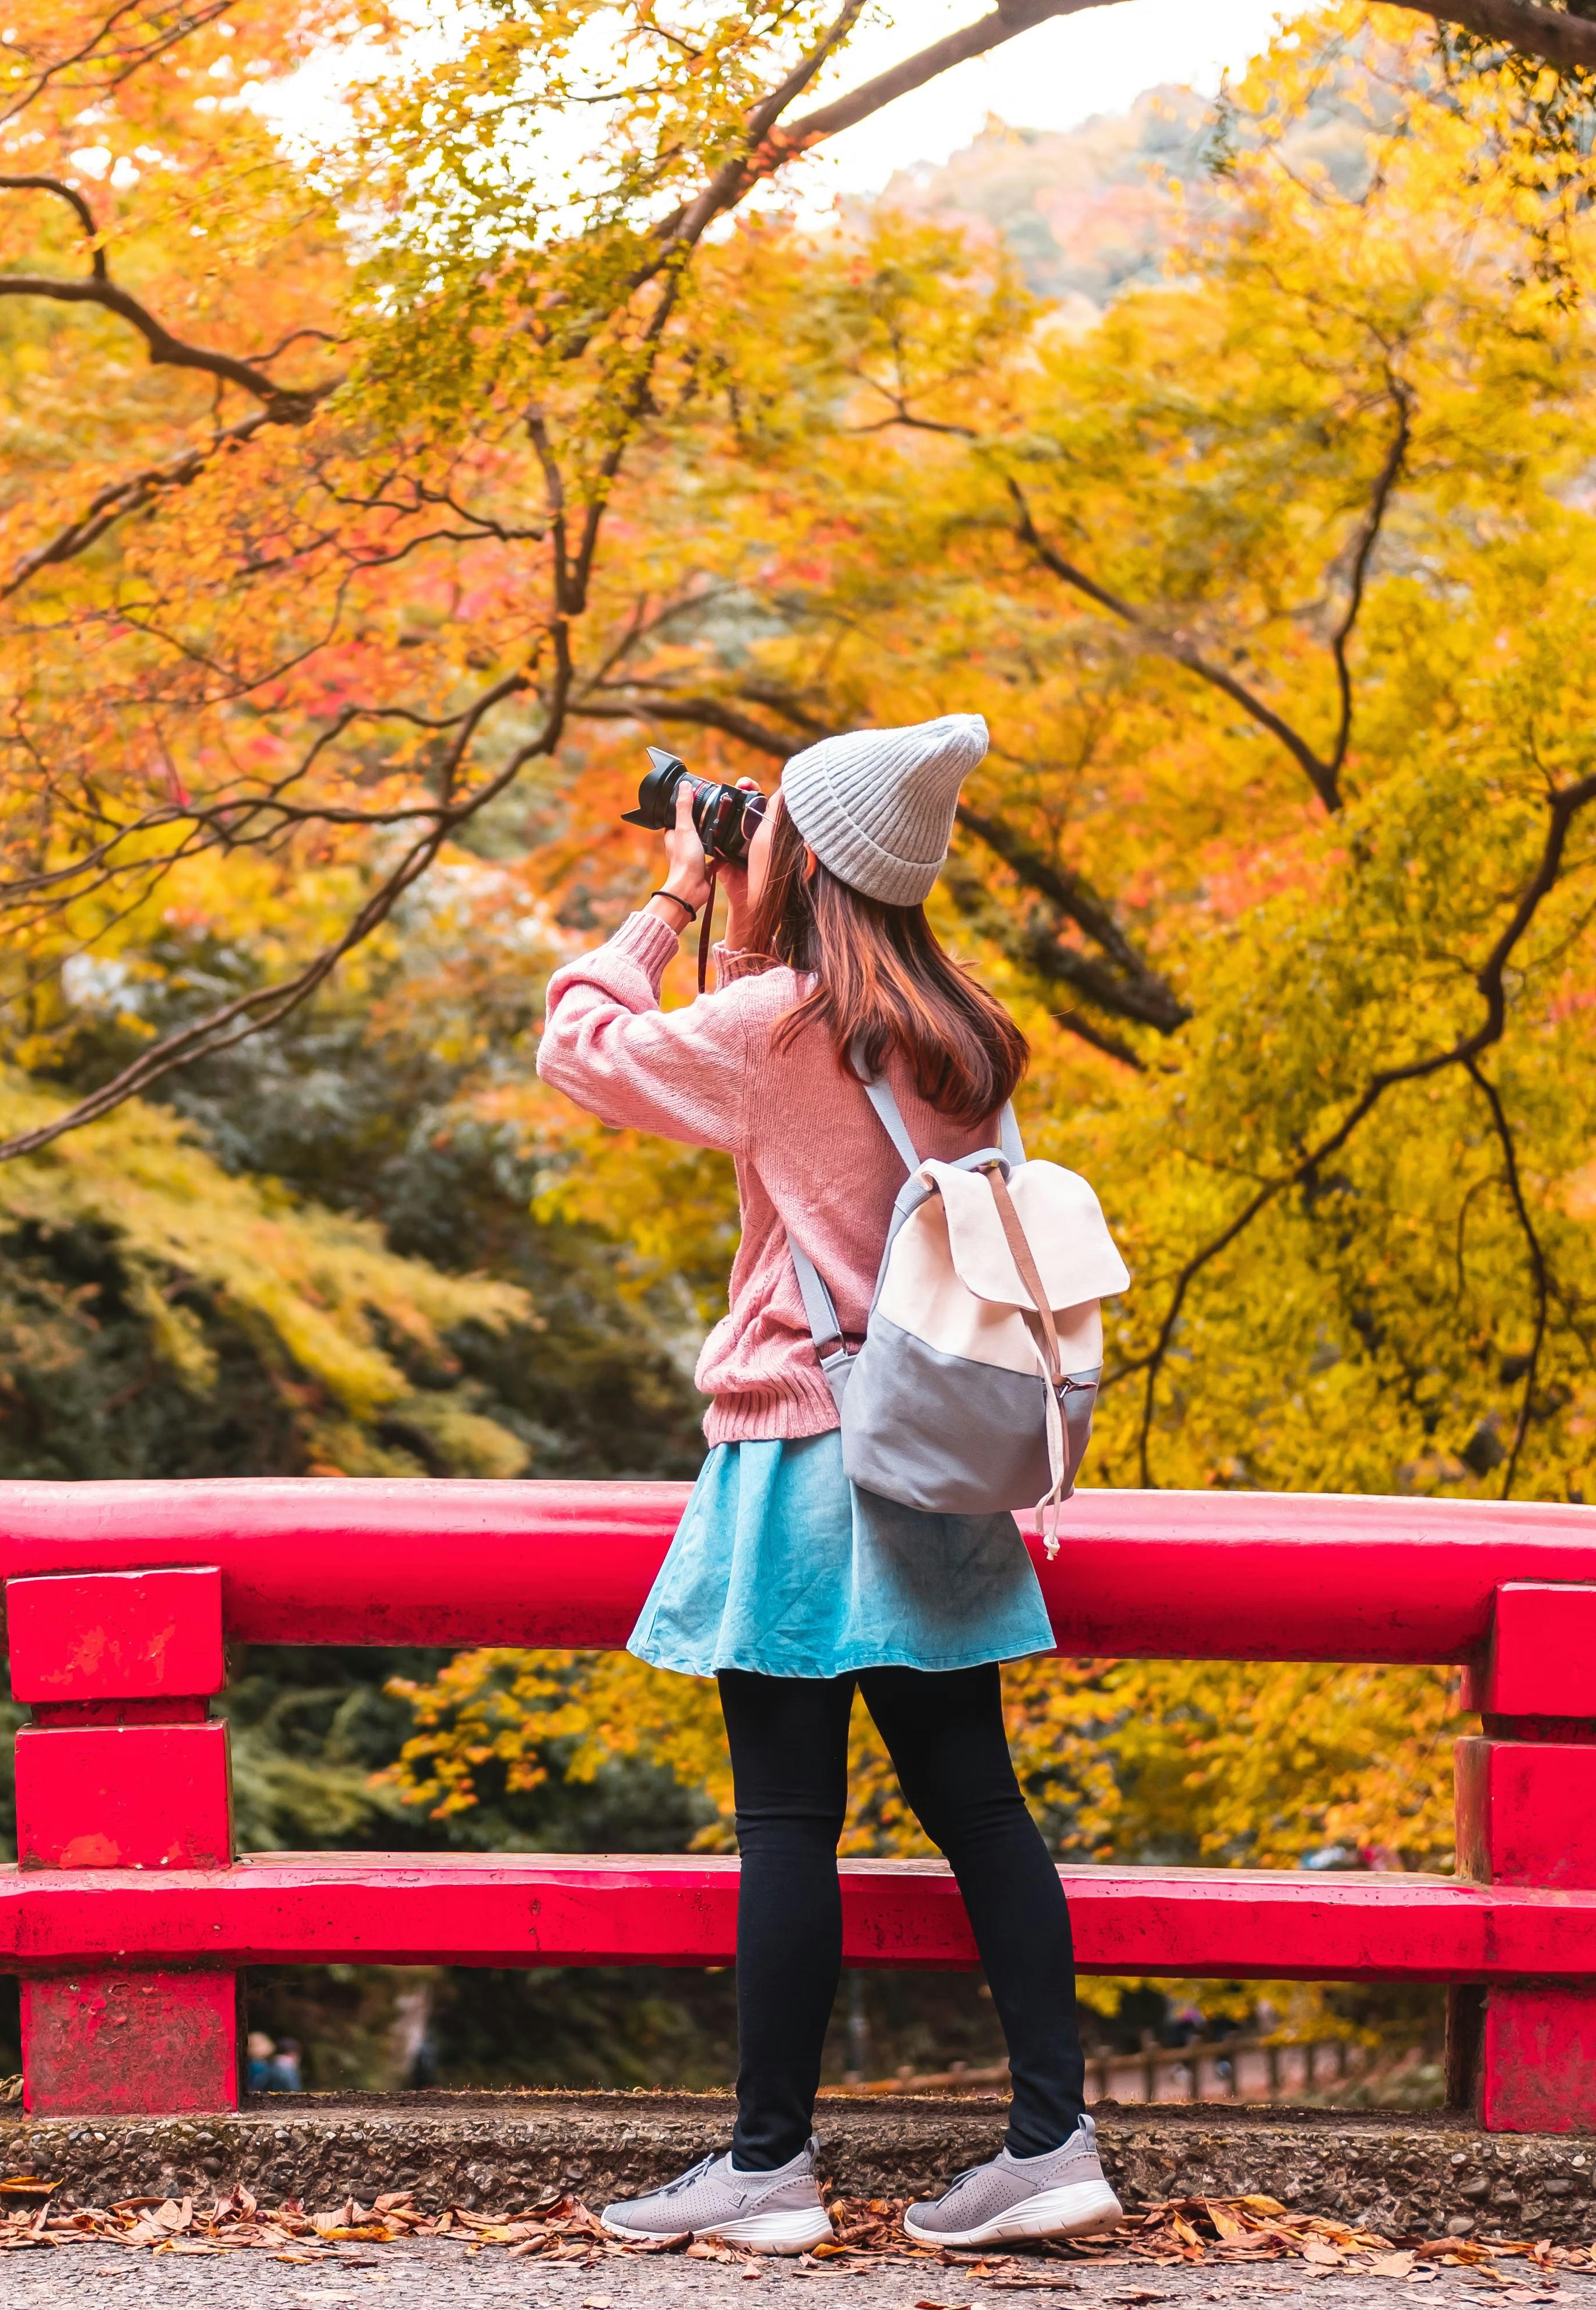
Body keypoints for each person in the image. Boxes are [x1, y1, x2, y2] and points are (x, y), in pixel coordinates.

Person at [540, 714, 1121, 2257]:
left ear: (801, 854)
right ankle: (1053, 2141)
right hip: (935, 1459)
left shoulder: (769, 1029)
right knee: (981, 1808)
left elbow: (580, 1043)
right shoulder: (967, 1034)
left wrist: (673, 893)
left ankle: (766, 2168)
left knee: (788, 1820)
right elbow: (829, 1124)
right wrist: (757, 912)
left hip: (802, 1456)